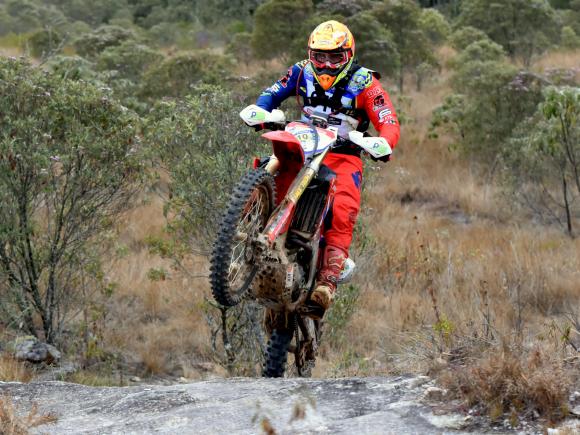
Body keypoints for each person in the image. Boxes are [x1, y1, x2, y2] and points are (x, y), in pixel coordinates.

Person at [252, 20, 400, 313]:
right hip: (303, 144)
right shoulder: (300, 71)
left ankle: (327, 279)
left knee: (343, 206)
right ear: (311, 54)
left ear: (348, 55)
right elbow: (272, 92)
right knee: (268, 165)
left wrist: (384, 142)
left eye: (335, 57)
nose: (326, 64)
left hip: (343, 153)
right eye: (320, 56)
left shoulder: (365, 83)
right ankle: (245, 224)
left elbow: (387, 118)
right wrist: (261, 109)